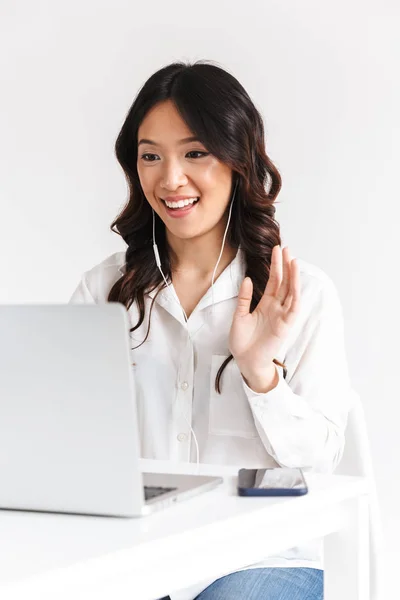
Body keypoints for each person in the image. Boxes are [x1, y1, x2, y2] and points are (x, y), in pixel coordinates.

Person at [69, 60, 357, 600]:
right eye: (150, 155)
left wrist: (258, 373)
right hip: (134, 558)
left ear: (237, 160)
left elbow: (319, 462)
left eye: (194, 153)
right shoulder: (104, 291)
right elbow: (64, 439)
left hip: (263, 556)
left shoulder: (301, 294)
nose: (169, 178)